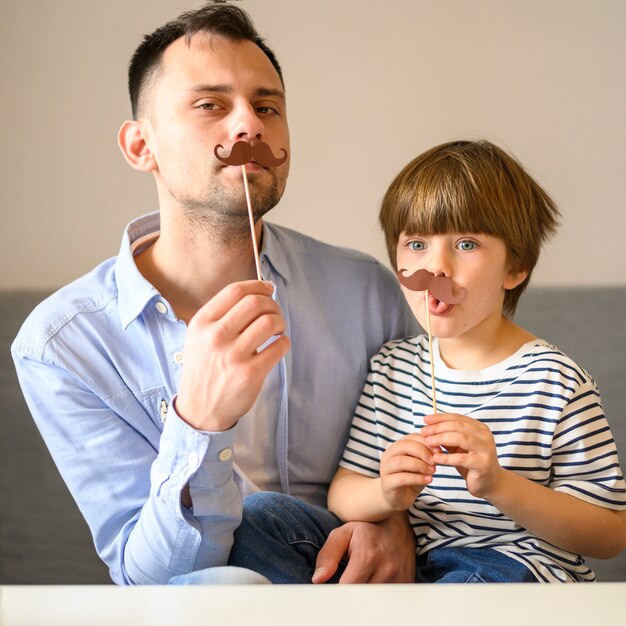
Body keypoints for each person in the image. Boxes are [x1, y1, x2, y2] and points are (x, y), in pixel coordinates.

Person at [11, 2, 418, 585]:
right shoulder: (63, 344)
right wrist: (199, 421)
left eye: (267, 106)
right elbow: (144, 579)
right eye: (210, 105)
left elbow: (433, 485)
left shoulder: (368, 293)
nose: (248, 125)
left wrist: (396, 527)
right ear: (139, 146)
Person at [229, 140, 626, 583]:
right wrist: (386, 492)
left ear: (515, 268)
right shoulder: (392, 369)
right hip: (415, 569)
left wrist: (499, 484)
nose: (436, 267)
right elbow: (344, 493)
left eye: (467, 243)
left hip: (514, 570)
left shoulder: (556, 381)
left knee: (469, 585)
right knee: (260, 518)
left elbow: (609, 533)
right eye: (416, 243)